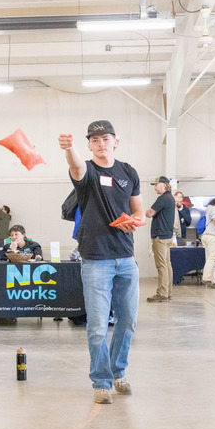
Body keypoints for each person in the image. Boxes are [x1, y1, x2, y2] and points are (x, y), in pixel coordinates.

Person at [58, 120, 143, 405]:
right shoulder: (88, 172)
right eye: (94, 140)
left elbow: (138, 208)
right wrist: (69, 149)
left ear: (115, 141)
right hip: (95, 260)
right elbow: (76, 167)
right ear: (89, 145)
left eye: (105, 138)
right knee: (96, 325)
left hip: (126, 258)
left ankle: (118, 372)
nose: (100, 143)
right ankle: (101, 381)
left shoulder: (128, 171)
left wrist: (136, 220)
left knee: (128, 321)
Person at [146, 176, 175, 303]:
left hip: (160, 236)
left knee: (161, 265)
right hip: (167, 236)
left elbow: (149, 213)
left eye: (156, 185)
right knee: (167, 264)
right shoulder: (171, 198)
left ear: (163, 185)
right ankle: (167, 291)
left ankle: (162, 292)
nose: (154, 187)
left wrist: (146, 211)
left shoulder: (163, 198)